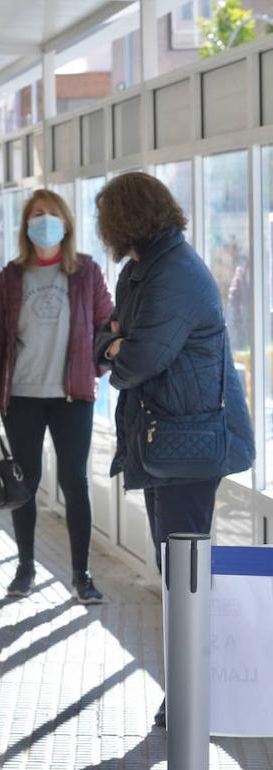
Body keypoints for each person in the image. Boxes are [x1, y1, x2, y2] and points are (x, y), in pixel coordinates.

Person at [92, 171, 254, 728]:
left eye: (106, 217)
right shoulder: (143, 271)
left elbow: (135, 358)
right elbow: (106, 340)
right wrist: (114, 343)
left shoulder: (174, 275)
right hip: (163, 440)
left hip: (188, 443)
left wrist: (116, 345)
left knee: (186, 572)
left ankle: (196, 693)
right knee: (174, 569)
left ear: (125, 219)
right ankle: (186, 691)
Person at [0, 189, 113, 603]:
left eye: (52, 214)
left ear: (67, 223)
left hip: (73, 397)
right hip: (23, 397)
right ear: (26, 225)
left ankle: (81, 574)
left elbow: (108, 326)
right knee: (24, 484)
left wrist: (96, 367)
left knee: (76, 482)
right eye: (37, 214)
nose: (45, 221)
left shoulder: (86, 273)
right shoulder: (8, 279)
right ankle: (25, 567)